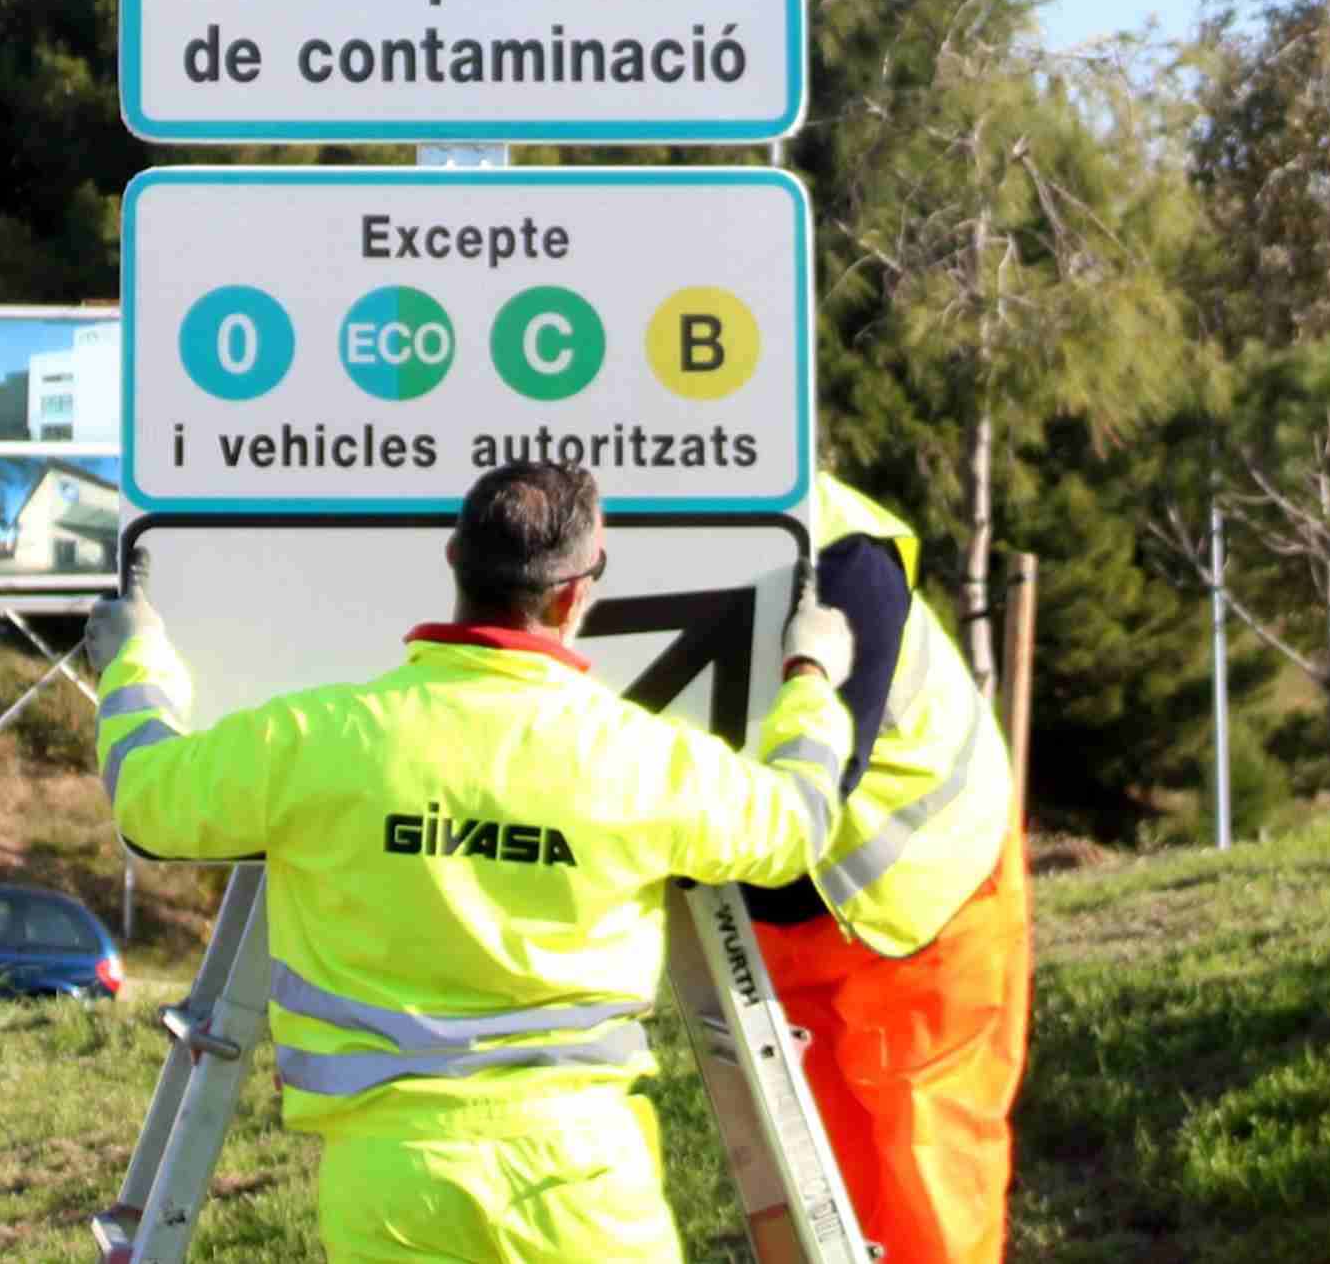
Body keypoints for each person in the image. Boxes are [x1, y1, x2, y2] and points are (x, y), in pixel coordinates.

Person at [85, 460, 857, 1264]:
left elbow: (146, 796)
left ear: (454, 560)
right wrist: (809, 678)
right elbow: (798, 823)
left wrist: (133, 660)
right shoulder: (638, 760)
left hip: (390, 1178)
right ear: (575, 592)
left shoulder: (317, 739)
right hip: (584, 1180)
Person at [741, 469, 1032, 1264]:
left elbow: (816, 781)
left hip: (926, 898)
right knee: (826, 1202)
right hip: (781, 911)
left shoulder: (844, 556)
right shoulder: (637, 533)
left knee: (925, 1181)